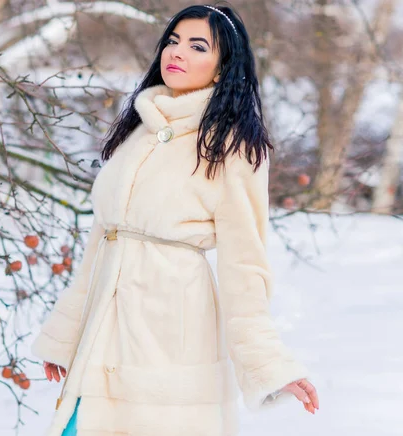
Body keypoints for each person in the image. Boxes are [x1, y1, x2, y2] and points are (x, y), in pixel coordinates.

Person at [31, 4, 320, 436]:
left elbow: (245, 264)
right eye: (172, 40)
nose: (177, 52)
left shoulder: (231, 146)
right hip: (103, 333)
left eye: (197, 46)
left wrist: (268, 363)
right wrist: (67, 332)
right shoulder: (140, 128)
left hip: (171, 329)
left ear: (223, 68)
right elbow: (103, 240)